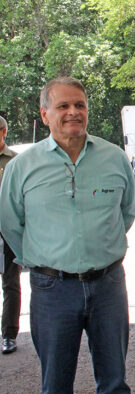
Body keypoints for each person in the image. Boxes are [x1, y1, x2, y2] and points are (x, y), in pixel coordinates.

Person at [0, 77, 135, 393]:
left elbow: (126, 212)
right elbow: (9, 223)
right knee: (56, 385)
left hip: (108, 286)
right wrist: (43, 260)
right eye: (63, 106)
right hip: (52, 290)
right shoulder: (22, 167)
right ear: (45, 114)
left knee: (114, 383)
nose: (73, 112)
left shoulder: (114, 157)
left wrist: (100, 247)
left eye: (80, 105)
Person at [0, 115, 20, 355]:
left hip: (7, 232)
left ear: (3, 132)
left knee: (10, 284)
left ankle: (8, 335)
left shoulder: (16, 162)